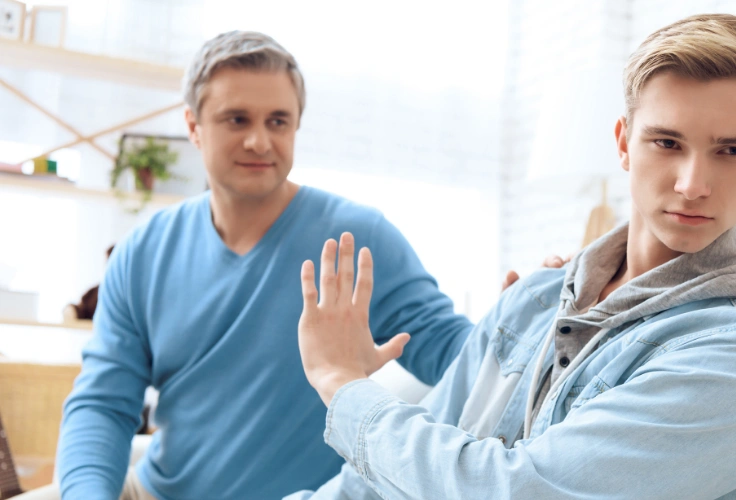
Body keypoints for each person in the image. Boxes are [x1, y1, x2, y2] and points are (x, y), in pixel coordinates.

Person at [292, 13, 736, 500]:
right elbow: (381, 481)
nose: (693, 185)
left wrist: (342, 384)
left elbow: (514, 492)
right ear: (624, 144)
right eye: (667, 142)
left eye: (732, 151)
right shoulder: (537, 294)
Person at [22, 31, 534, 500]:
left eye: (278, 121)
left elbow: (453, 352)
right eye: (236, 119)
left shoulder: (359, 237)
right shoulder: (142, 251)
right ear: (193, 127)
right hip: (157, 491)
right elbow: (103, 402)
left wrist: (520, 321)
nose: (259, 141)